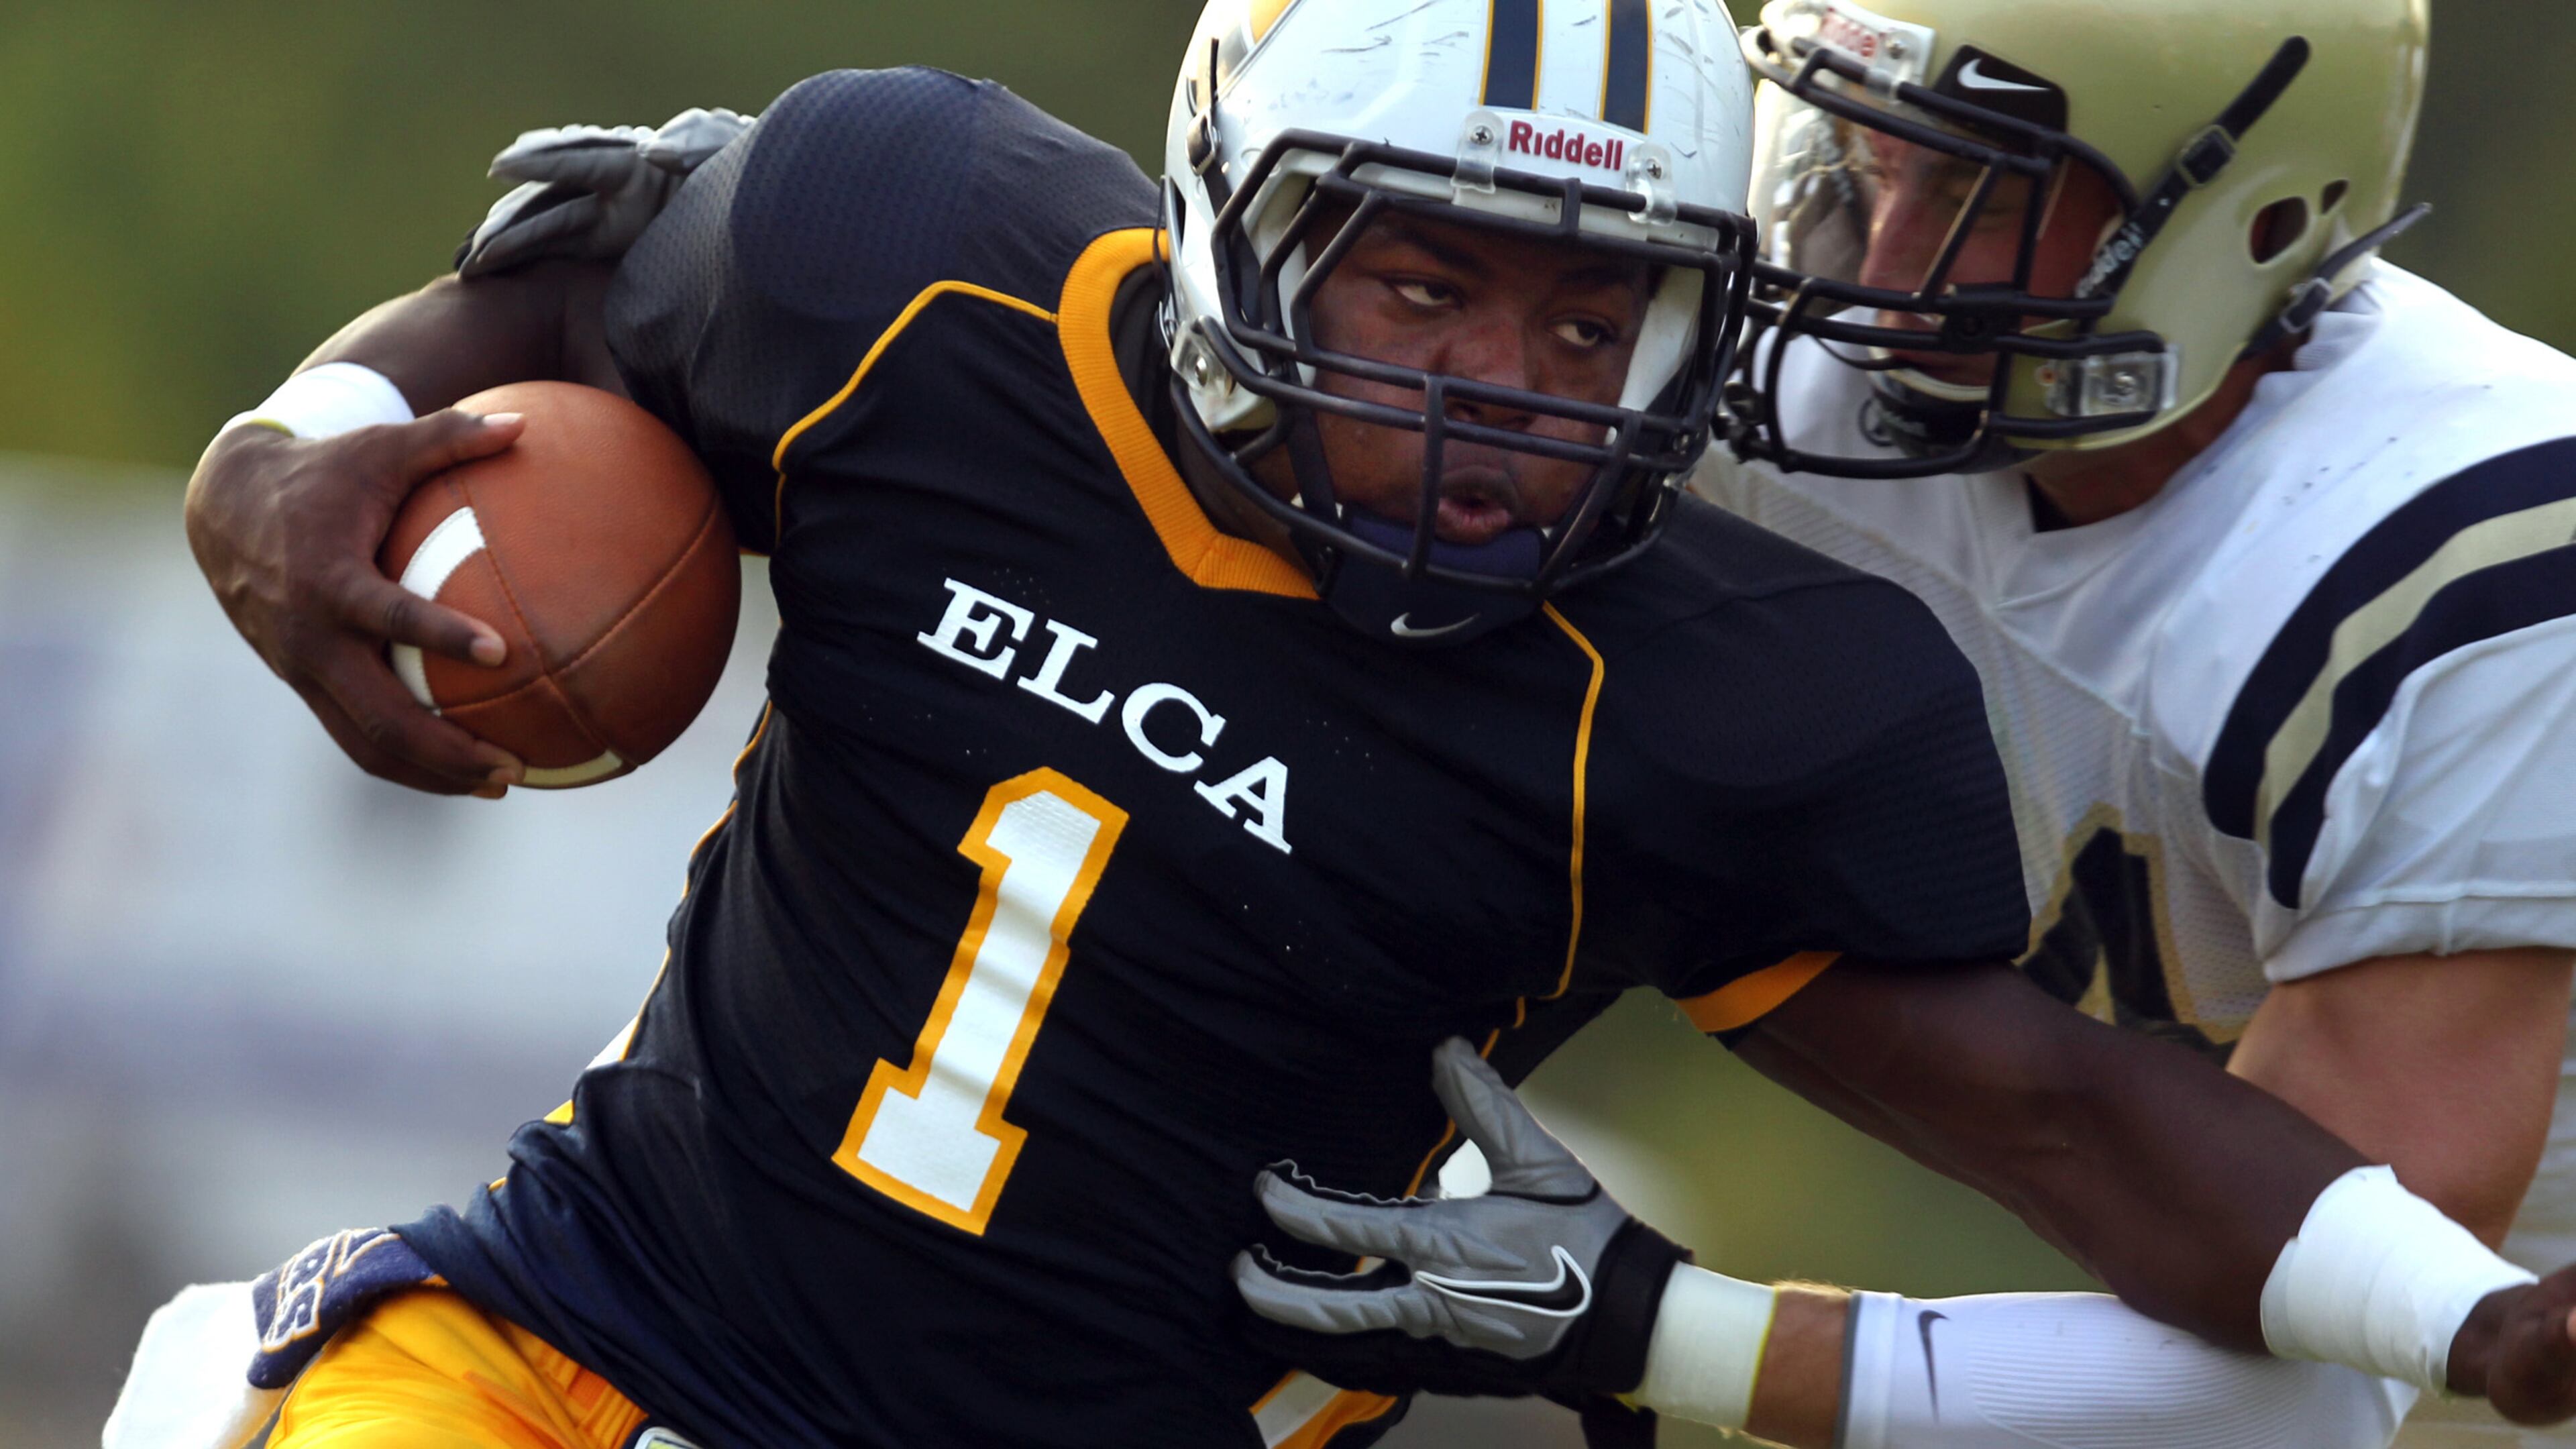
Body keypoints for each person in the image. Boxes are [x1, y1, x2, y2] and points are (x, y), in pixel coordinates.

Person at [162, 1, 2576, 1446]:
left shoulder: (1704, 692)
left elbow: (2074, 1120)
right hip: (575, 1323)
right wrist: (283, 460)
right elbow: (559, 305)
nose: (1499, 392)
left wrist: (2475, 1321)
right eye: (1420, 284)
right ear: (1235, 204)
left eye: (1583, 320)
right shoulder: (921, 271)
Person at [1530, 0, 2576, 1444]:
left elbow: (2309, 1384)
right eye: (1862, 156)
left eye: (1975, 190)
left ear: (2252, 221)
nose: (1882, 274)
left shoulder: (2466, 561)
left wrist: (1653, 1328)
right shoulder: (1826, 375)